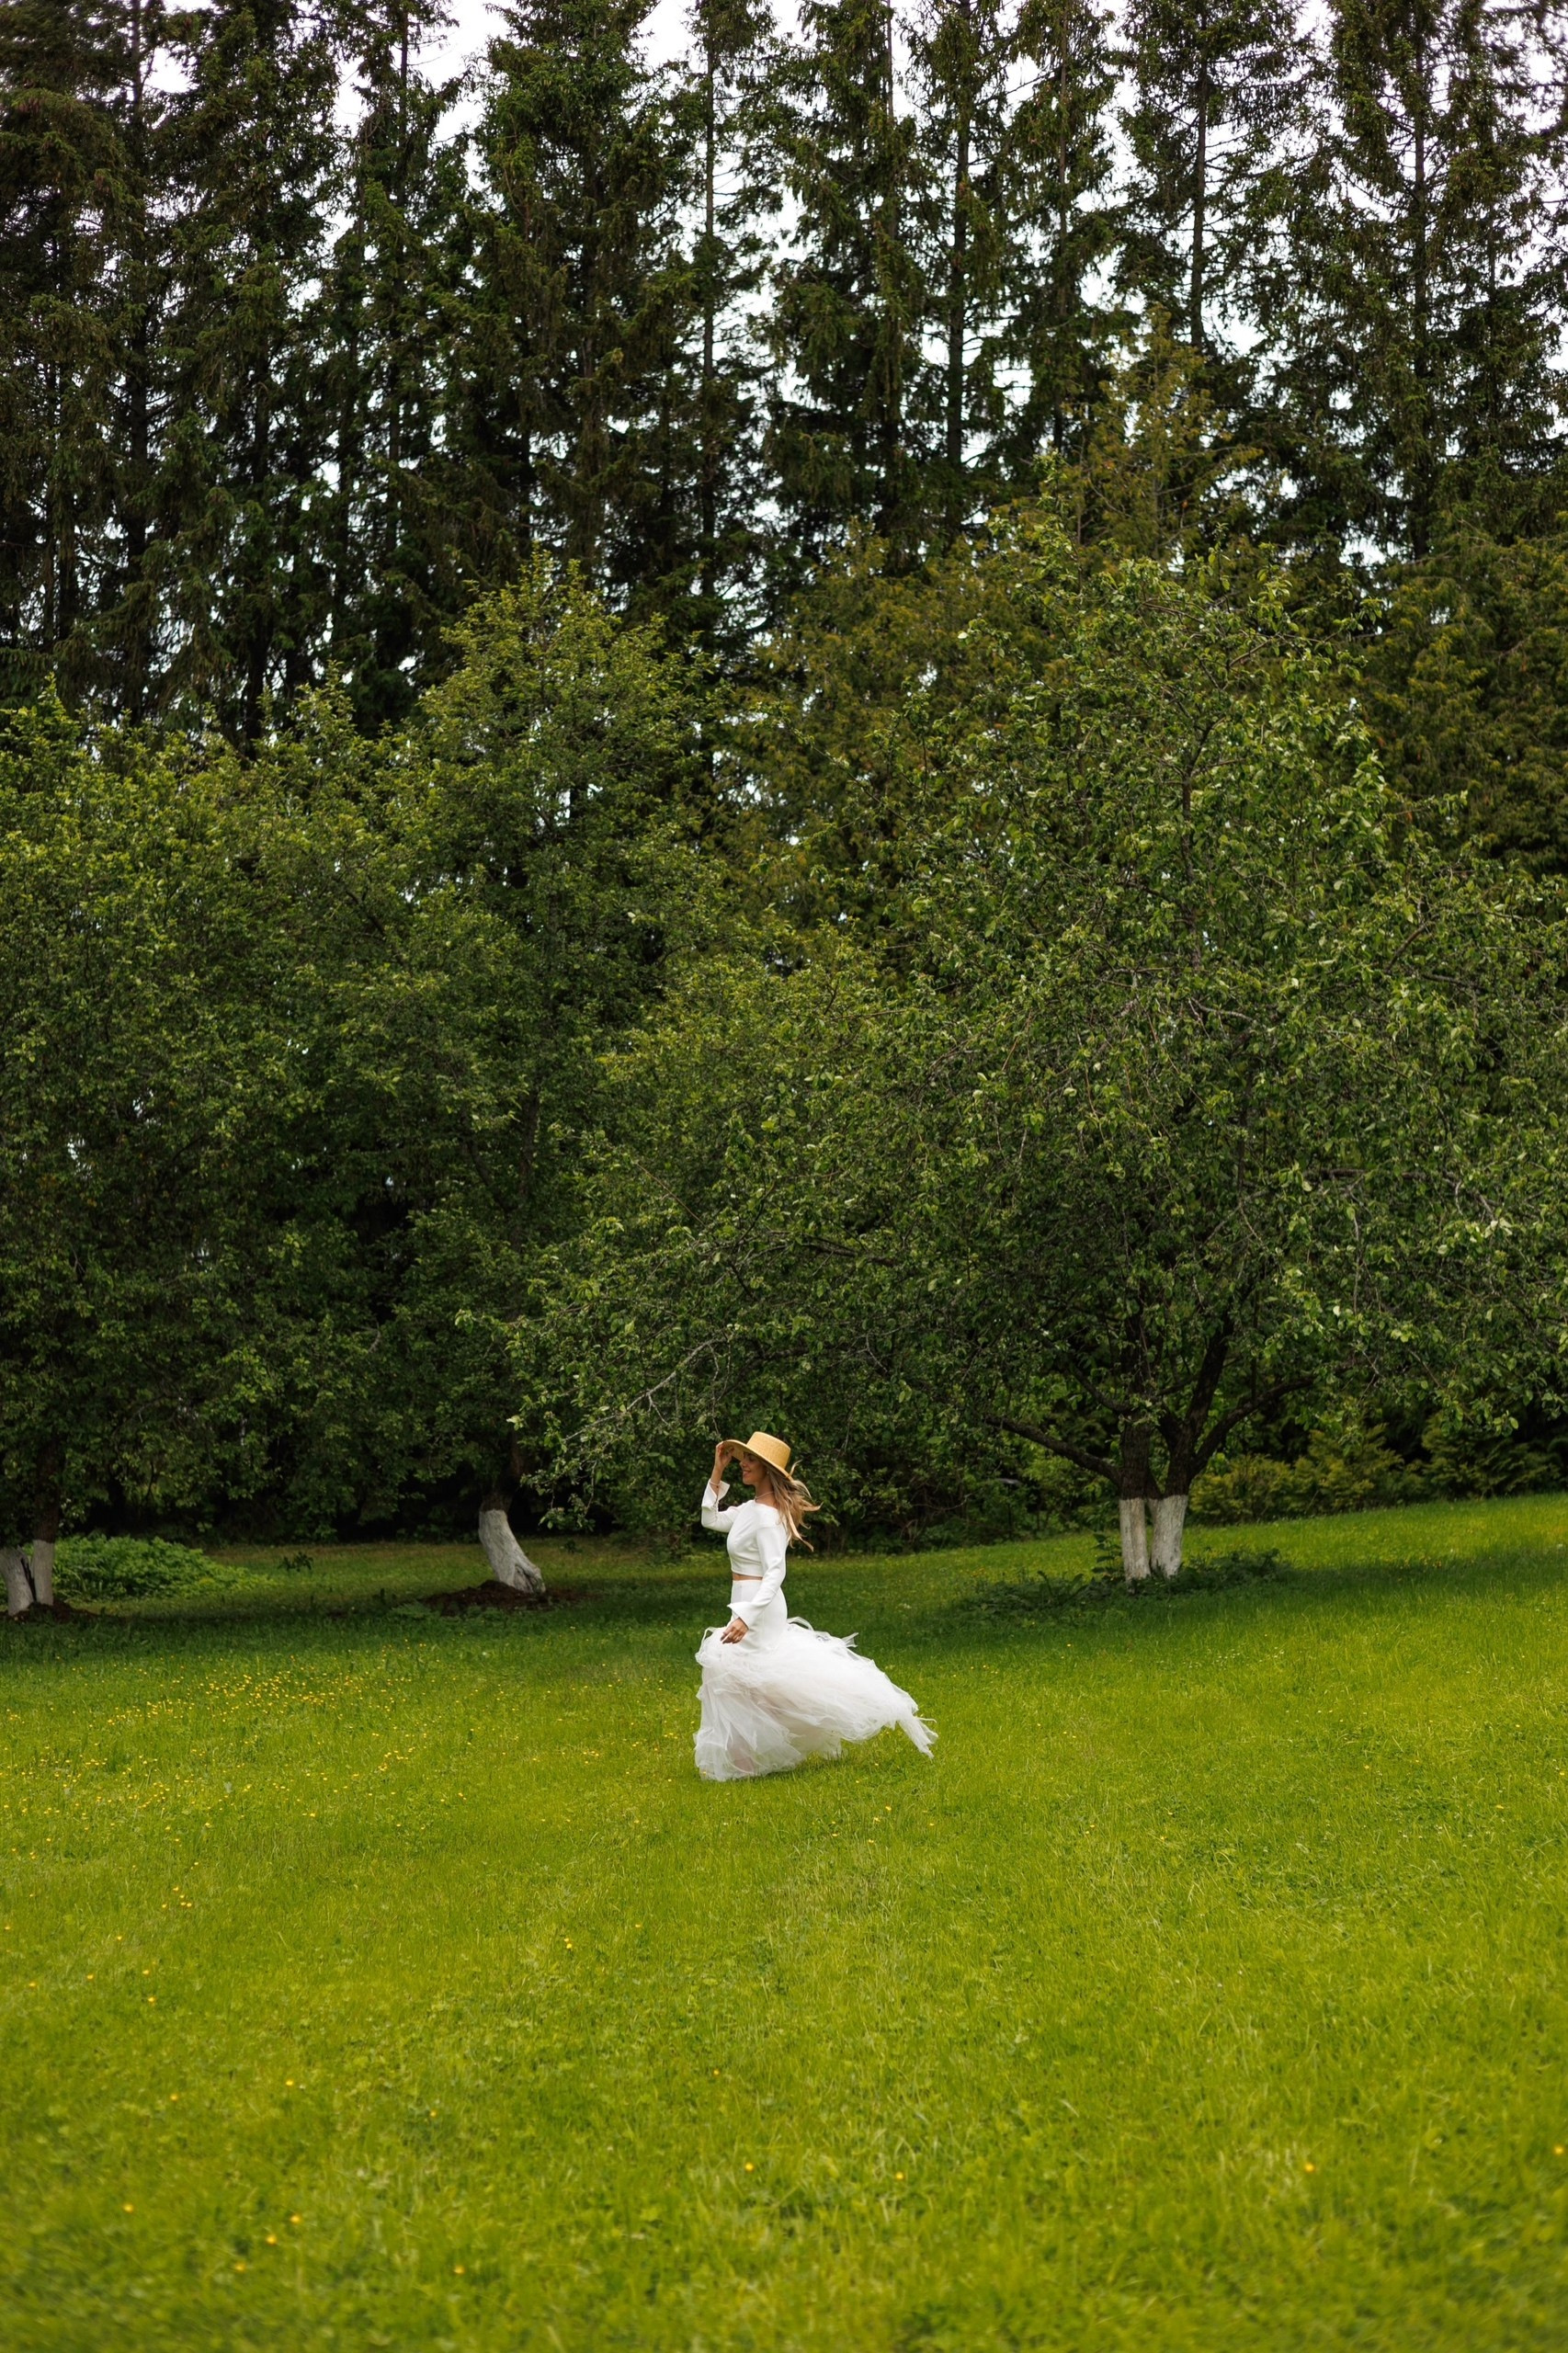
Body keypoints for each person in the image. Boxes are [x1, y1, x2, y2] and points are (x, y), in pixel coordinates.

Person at [694, 1431, 936, 1781]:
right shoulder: (749, 1510)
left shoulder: (767, 1517)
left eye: (751, 1460)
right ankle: (751, 1760)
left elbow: (776, 1572)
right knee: (738, 1676)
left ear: (767, 1469)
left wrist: (747, 1617)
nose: (743, 1464)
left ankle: (758, 1756)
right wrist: (717, 1471)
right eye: (743, 1458)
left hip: (758, 1606)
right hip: (745, 1601)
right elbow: (710, 1519)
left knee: (730, 1671)